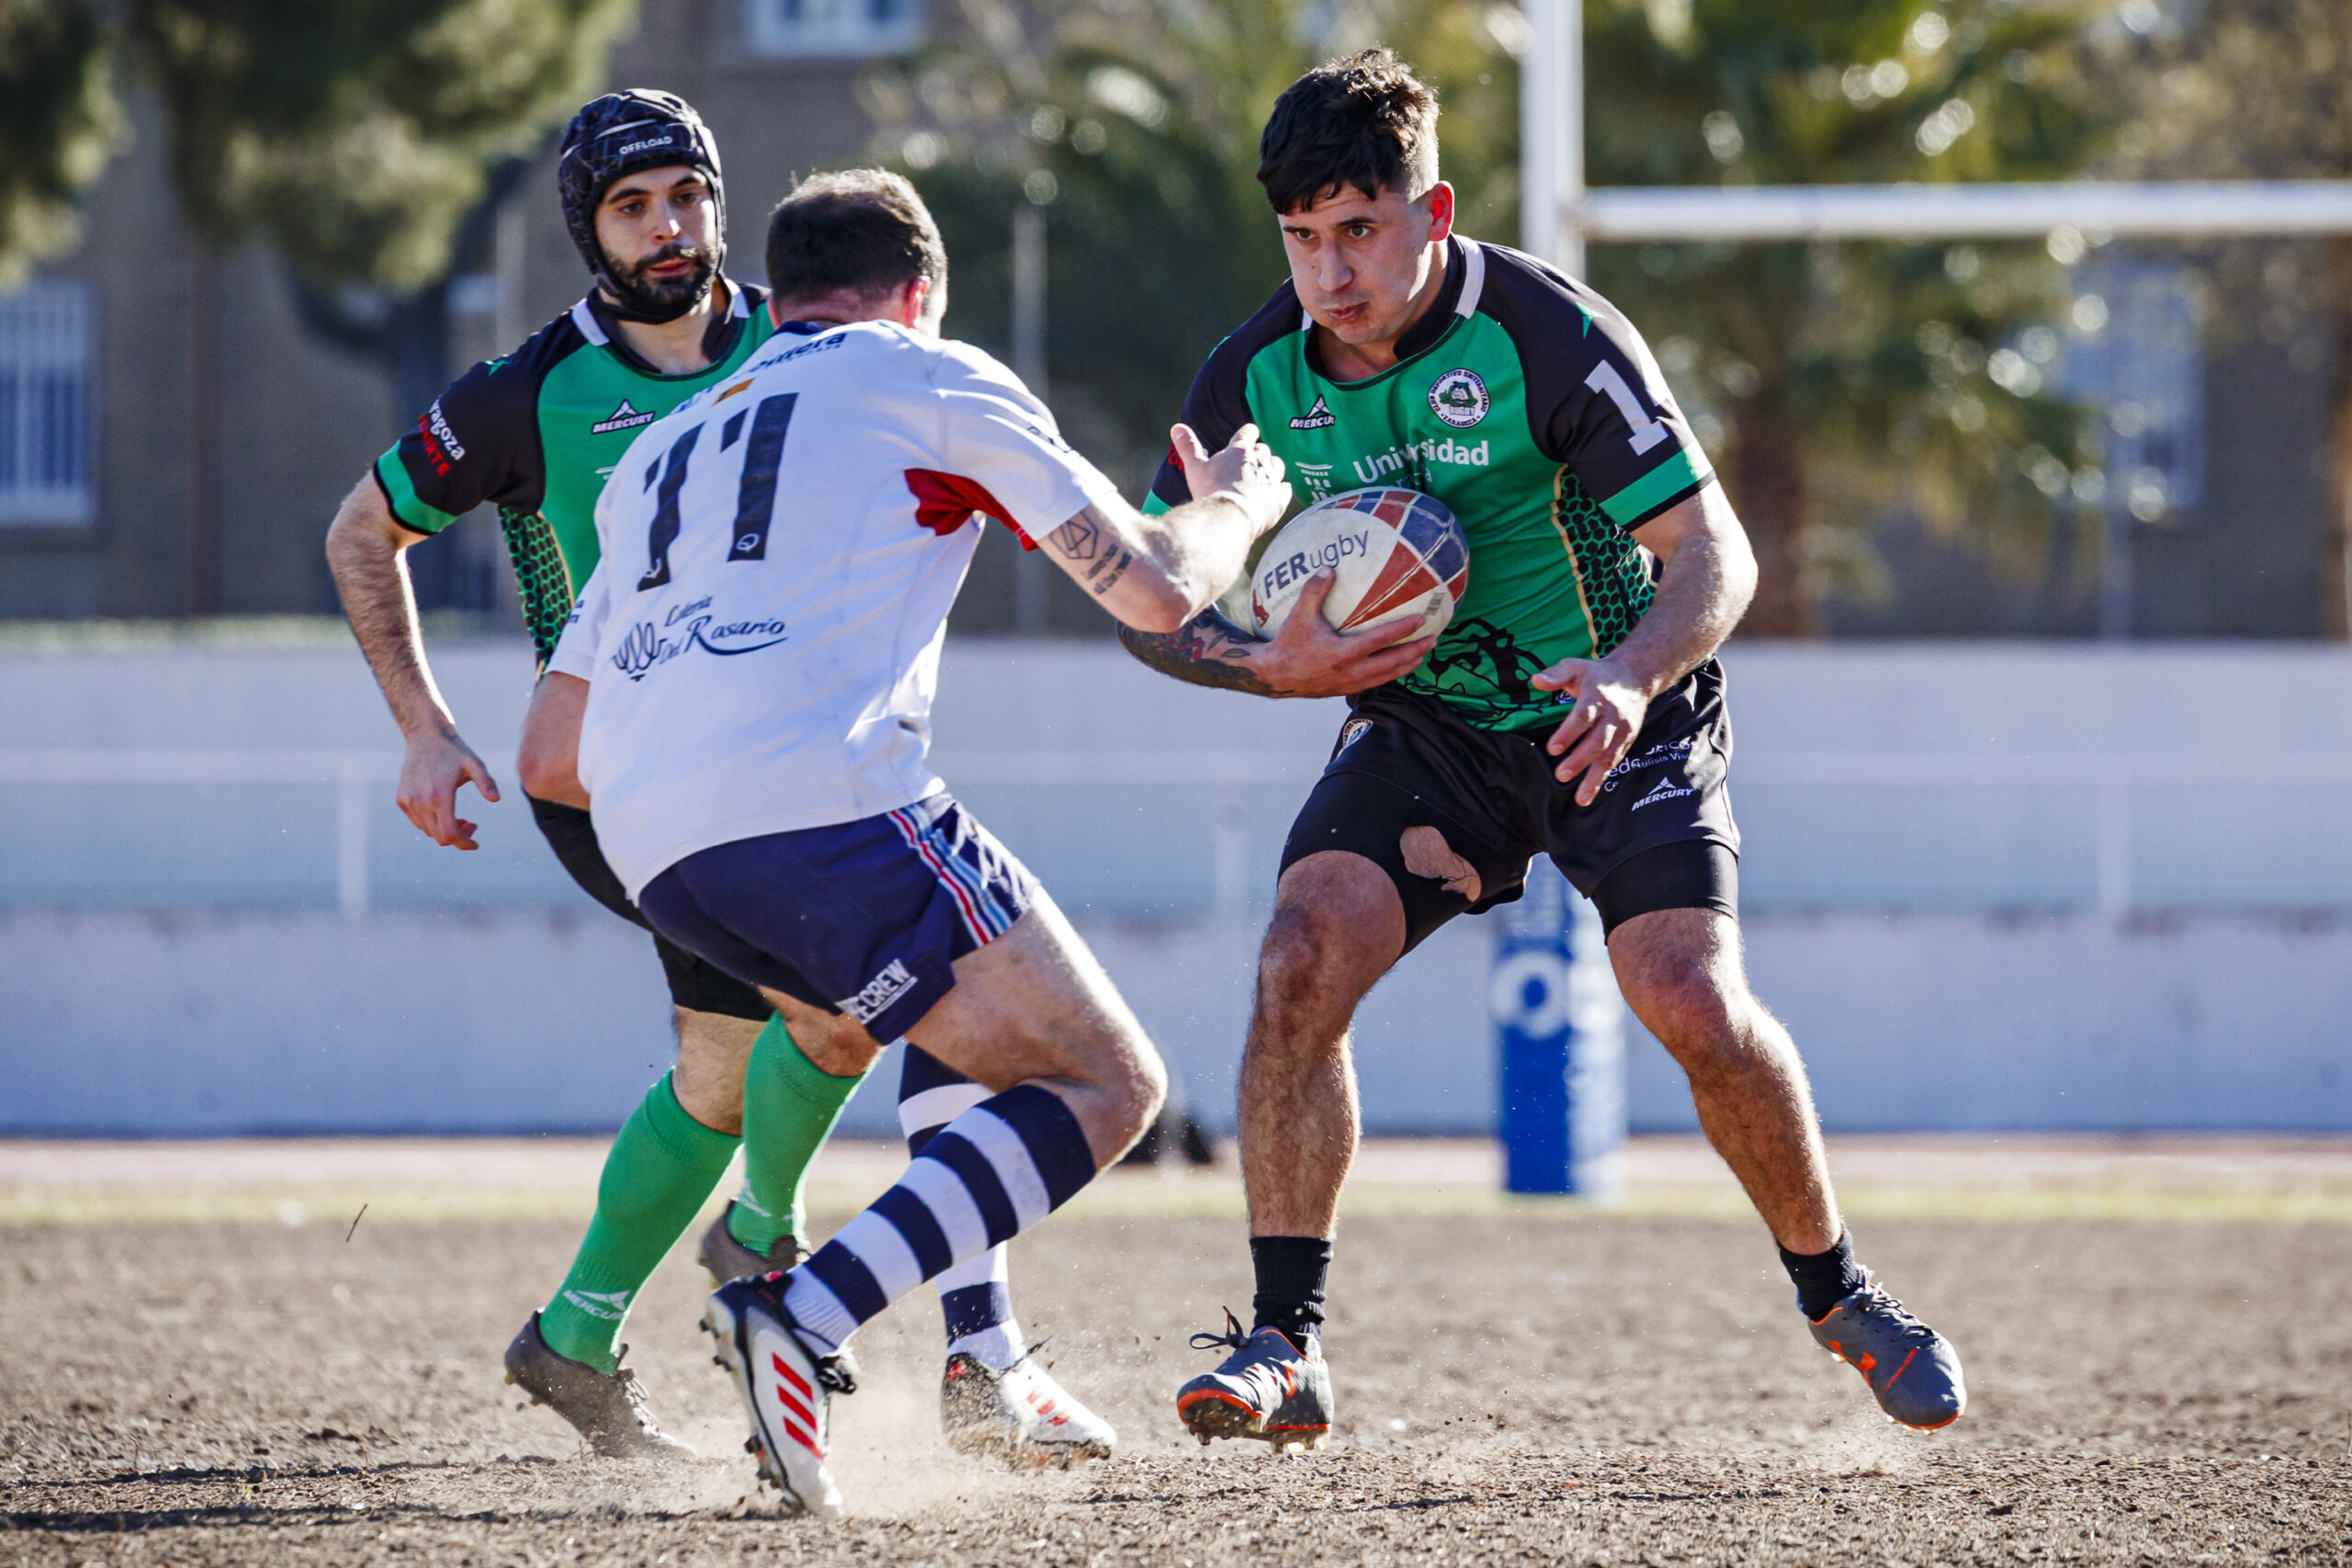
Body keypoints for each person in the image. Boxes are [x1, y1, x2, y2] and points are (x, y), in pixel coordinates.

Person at [1117, 50, 1967, 1449]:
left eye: (1361, 231)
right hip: (1431, 728)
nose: (1331, 270)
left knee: (1687, 996)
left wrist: (1634, 680)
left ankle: (1844, 1298)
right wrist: (1261, 664)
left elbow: (1714, 553)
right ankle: (1285, 1340)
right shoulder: (1252, 380)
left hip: (1608, 703)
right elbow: (1149, 599)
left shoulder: (1547, 333)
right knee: (1296, 960)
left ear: (1431, 209)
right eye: (1304, 238)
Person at [325, 93, 1112, 1466]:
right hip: (618, 778)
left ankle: (605, 1322)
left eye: (687, 194)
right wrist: (422, 728)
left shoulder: (804, 334)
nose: (669, 226)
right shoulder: (528, 393)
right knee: (791, 1036)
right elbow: (359, 530)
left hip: (782, 763)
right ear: (590, 231)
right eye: (634, 207)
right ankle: (763, 1262)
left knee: (775, 1046)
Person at [536, 168, 1292, 1516]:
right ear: (921, 292)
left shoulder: (661, 451)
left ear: (778, 298)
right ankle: (805, 1310)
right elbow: (1163, 588)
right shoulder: (923, 374)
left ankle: (980, 1362)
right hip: (814, 803)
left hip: (654, 848)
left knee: (957, 1018)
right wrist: (1240, 503)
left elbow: (549, 755)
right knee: (1111, 1084)